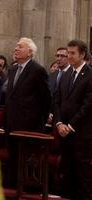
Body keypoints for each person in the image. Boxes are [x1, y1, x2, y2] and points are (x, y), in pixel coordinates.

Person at [54, 39, 92, 199]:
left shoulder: (90, 75)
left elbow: (88, 105)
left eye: (72, 53)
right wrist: (59, 123)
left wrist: (70, 126)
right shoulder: (66, 74)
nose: (69, 56)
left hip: (81, 133)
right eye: (68, 53)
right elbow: (57, 100)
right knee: (66, 171)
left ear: (82, 54)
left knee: (81, 173)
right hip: (63, 131)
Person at [5, 37, 51, 133]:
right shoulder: (12, 69)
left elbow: (46, 98)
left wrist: (41, 120)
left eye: (20, 47)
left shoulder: (38, 70)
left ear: (30, 53)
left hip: (30, 125)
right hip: (11, 123)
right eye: (16, 46)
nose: (16, 49)